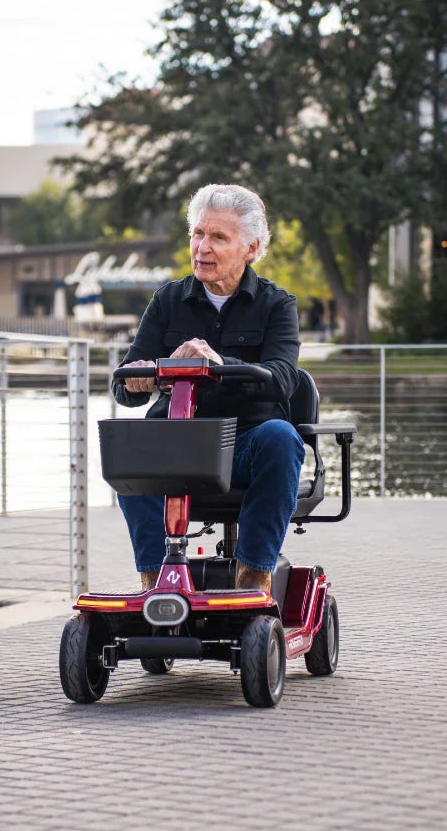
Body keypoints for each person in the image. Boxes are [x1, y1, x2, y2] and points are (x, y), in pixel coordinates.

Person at [111, 184, 304, 593]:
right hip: (178, 447)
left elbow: (284, 379)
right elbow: (124, 389)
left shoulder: (277, 305)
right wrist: (139, 376)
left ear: (251, 248)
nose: (203, 247)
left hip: (245, 447)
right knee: (129, 445)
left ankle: (253, 577)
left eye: (218, 237)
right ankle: (155, 583)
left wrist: (219, 363)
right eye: (198, 234)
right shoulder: (168, 300)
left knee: (282, 438)